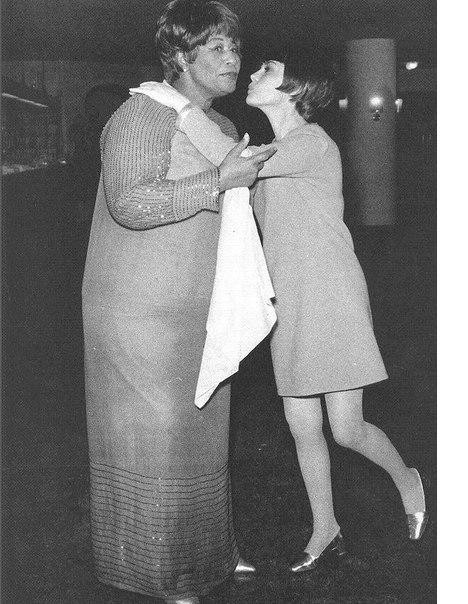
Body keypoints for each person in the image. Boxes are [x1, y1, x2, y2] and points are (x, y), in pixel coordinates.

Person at [131, 47, 429, 575]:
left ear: (294, 91)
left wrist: (176, 104)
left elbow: (230, 160)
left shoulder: (312, 144)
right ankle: (325, 528)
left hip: (331, 296)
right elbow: (230, 181)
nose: (253, 72)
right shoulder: (275, 151)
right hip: (288, 300)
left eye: (268, 71)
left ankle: (408, 479)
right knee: (301, 424)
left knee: (346, 428)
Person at [81, 1, 276, 602]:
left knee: (202, 437)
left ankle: (209, 553)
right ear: (179, 56)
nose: (232, 59)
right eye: (216, 47)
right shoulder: (142, 115)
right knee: (159, 442)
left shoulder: (220, 127)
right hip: (140, 314)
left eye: (234, 47)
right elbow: (131, 202)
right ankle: (163, 573)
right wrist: (219, 180)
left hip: (198, 308)